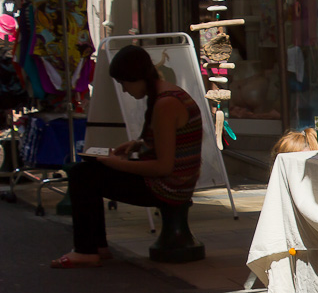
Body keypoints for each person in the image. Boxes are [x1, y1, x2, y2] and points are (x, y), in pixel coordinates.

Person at [50, 45, 203, 268]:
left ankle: (86, 249)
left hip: (169, 187)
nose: (124, 90)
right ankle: (97, 247)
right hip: (174, 181)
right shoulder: (168, 95)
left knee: (82, 174)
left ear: (136, 77)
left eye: (124, 83)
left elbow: (163, 167)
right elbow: (171, 142)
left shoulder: (165, 103)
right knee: (87, 171)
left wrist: (116, 164)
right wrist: (136, 145)